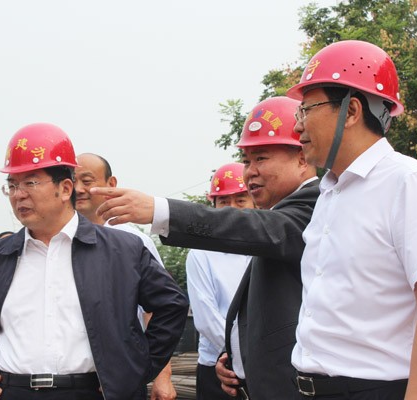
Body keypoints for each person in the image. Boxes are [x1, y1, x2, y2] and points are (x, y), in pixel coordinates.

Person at [91, 96, 319, 399]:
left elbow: (259, 228)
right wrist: (237, 357)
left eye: (261, 158)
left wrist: (160, 211)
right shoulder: (274, 219)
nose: (250, 172)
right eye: (247, 161)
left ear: (302, 158)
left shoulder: (313, 206)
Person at [0, 123, 189, 400]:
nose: (18, 194)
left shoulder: (122, 251)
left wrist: (135, 369)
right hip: (13, 391)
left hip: (94, 392)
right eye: (12, 185)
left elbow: (171, 305)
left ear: (65, 188)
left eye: (31, 182)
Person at [286, 40, 417, 399]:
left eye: (306, 110)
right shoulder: (329, 193)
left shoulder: (408, 183)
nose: (297, 127)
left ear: (351, 110)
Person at [74, 152, 177, 400]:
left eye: (87, 181)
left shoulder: (134, 242)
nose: (78, 189)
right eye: (72, 181)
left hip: (121, 375)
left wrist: (162, 376)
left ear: (111, 184)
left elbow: (156, 309)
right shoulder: (56, 241)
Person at [185, 162, 254, 400]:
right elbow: (207, 320)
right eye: (224, 201)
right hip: (219, 365)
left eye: (240, 200)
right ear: (213, 205)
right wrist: (240, 355)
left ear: (254, 201)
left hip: (263, 365)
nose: (232, 209)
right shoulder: (201, 253)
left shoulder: (270, 247)